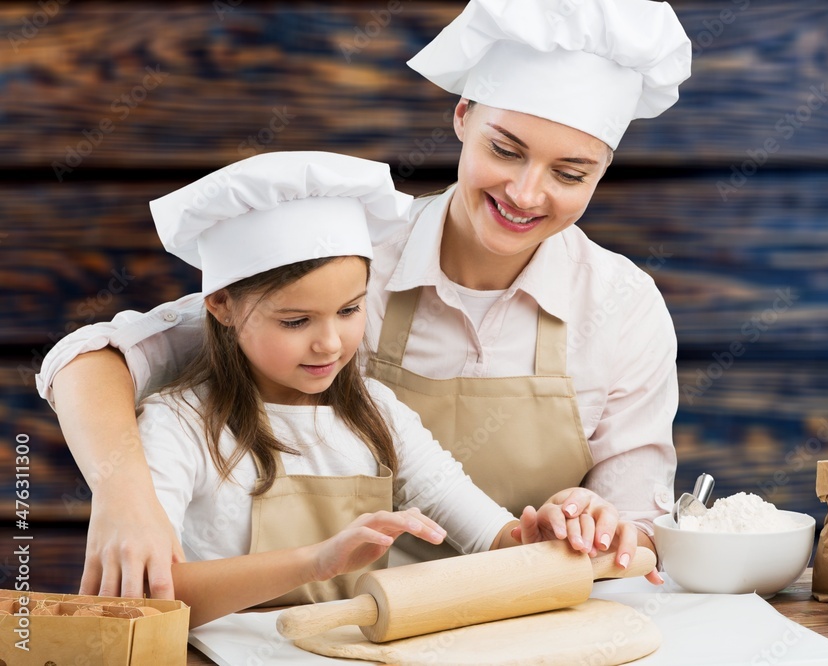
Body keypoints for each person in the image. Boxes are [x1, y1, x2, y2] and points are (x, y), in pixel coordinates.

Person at [37, 0, 690, 598]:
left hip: (521, 629)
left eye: (570, 173)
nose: (525, 192)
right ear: (463, 118)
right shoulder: (348, 257)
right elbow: (90, 357)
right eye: (505, 149)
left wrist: (594, 528)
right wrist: (127, 495)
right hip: (337, 626)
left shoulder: (620, 306)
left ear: (603, 170)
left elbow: (638, 541)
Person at [130, 150, 636, 628]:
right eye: (296, 320)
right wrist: (317, 560)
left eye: (350, 310)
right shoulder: (176, 425)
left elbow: (486, 532)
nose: (329, 343)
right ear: (220, 306)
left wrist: (538, 537)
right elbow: (151, 595)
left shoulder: (378, 414)